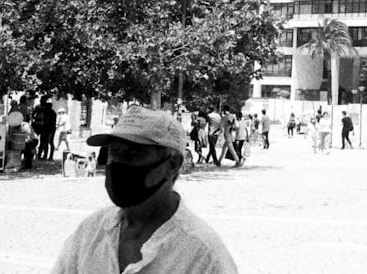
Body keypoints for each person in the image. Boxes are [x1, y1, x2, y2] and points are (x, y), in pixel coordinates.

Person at [51, 105, 239, 273]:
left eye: (134, 153)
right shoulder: (91, 231)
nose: (119, 164)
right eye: (114, 152)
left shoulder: (203, 256)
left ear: (172, 164)